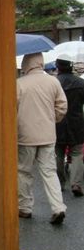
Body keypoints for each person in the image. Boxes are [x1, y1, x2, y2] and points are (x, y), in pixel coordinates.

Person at [17, 52, 68, 225]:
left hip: (25, 136)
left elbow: (12, 109)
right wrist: (52, 120)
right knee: (49, 172)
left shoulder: (19, 84)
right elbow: (62, 106)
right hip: (48, 134)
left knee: (24, 172)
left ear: (26, 64)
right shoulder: (53, 81)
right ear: (40, 62)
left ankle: (25, 208)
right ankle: (58, 207)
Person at [55, 56, 84, 197]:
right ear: (71, 66)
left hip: (57, 123)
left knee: (58, 153)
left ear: (57, 66)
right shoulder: (81, 83)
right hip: (77, 123)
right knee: (77, 153)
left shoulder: (54, 83)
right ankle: (76, 183)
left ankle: (60, 183)